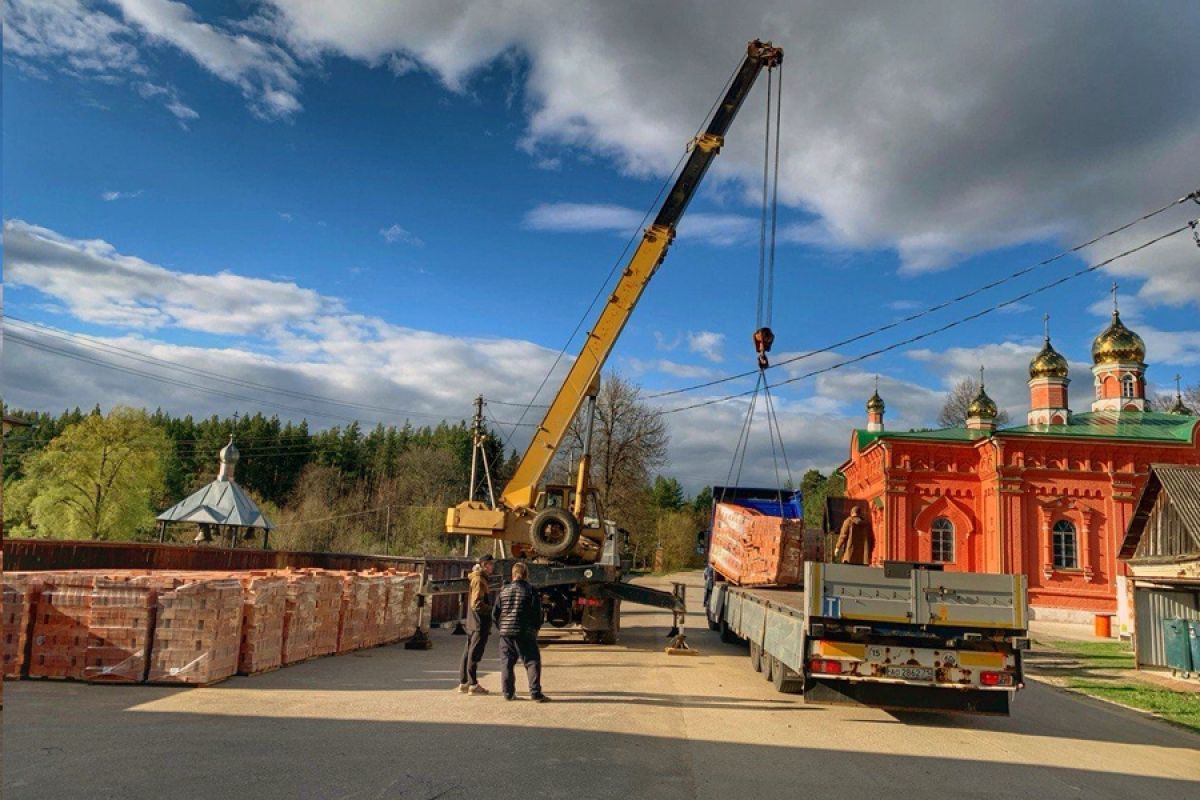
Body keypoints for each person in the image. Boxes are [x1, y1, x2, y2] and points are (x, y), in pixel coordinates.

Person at [492, 561, 548, 702]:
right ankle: (535, 693)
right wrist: (535, 629)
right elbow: (537, 614)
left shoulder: (503, 590)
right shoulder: (530, 590)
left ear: (513, 575)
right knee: (532, 661)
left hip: (506, 634)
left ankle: (508, 693)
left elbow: (495, 613)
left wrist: (502, 627)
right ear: (526, 575)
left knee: (507, 663)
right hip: (524, 631)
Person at [457, 554, 495, 695]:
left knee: (468, 652)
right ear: (484, 564)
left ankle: (464, 682)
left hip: (472, 622)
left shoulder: (477, 577)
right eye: (491, 564)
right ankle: (473, 684)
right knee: (474, 654)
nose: (493, 567)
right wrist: (492, 610)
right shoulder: (479, 579)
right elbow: (476, 604)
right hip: (479, 622)